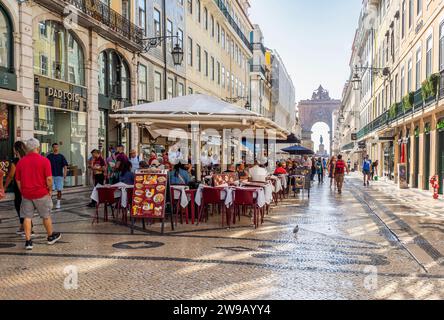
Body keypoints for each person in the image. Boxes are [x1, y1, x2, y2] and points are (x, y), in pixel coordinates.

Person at [15, 138, 61, 250]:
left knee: (27, 217)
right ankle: (50, 237)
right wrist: (50, 190)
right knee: (46, 216)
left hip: (26, 194)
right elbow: (49, 179)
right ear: (38, 148)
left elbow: (18, 180)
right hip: (42, 193)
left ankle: (28, 241)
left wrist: (22, 191)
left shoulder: (21, 161)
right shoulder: (44, 161)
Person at [4, 141, 35, 235]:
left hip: (19, 186)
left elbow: (10, 175)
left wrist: (4, 187)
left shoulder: (16, 161)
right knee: (26, 206)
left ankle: (30, 229)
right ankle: (23, 227)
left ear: (16, 149)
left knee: (20, 206)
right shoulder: (29, 158)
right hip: (29, 185)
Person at [47, 143, 68, 209]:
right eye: (54, 147)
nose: (55, 148)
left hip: (59, 175)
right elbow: (45, 166)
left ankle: (58, 203)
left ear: (58, 148)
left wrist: (65, 173)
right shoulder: (49, 156)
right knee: (50, 190)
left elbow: (65, 166)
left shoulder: (61, 156)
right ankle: (50, 203)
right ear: (52, 148)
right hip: (51, 176)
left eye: (57, 147)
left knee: (59, 190)